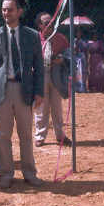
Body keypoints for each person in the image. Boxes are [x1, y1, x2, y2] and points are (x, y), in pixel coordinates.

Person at [0, 0, 44, 189]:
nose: (6, 13)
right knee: (4, 135)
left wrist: (39, 91)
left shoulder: (32, 35)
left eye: (10, 9)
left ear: (19, 11)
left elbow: (39, 66)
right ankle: (6, 173)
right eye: (3, 9)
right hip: (3, 90)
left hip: (24, 89)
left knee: (26, 134)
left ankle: (29, 173)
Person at [33, 12, 72, 147]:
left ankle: (60, 135)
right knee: (41, 107)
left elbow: (70, 55)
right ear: (39, 25)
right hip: (40, 75)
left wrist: (62, 59)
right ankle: (40, 135)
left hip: (56, 75)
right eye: (46, 23)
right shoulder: (34, 39)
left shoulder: (61, 38)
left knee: (56, 106)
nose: (49, 25)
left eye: (51, 22)